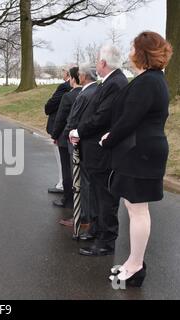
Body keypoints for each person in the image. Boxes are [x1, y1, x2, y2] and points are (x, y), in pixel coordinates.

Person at [101, 31, 173, 287]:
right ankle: (133, 262)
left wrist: (108, 139)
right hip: (141, 150)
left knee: (138, 209)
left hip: (140, 152)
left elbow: (129, 119)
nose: (130, 52)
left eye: (133, 48)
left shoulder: (148, 82)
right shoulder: (153, 79)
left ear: (141, 53)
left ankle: (136, 266)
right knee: (135, 208)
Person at [71, 45, 129, 256]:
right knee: (97, 194)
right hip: (94, 149)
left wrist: (79, 130)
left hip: (101, 151)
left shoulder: (116, 83)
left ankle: (106, 240)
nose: (96, 64)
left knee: (105, 197)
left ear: (104, 63)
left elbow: (101, 117)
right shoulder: (112, 81)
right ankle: (97, 229)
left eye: (97, 60)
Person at [60, 65, 98, 230]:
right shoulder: (97, 90)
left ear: (84, 76)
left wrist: (68, 133)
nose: (78, 76)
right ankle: (88, 215)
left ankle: (82, 217)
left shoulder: (84, 94)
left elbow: (73, 118)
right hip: (91, 143)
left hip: (79, 142)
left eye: (80, 74)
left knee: (81, 182)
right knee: (88, 182)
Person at [51, 67, 83, 209]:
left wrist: (55, 135)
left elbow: (61, 118)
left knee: (67, 170)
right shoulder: (87, 93)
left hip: (66, 138)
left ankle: (68, 199)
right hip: (82, 136)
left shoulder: (68, 96)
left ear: (73, 78)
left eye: (69, 77)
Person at [45, 68, 71, 194]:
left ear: (68, 73)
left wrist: (47, 108)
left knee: (61, 159)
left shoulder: (64, 87)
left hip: (60, 128)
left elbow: (52, 103)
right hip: (70, 129)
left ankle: (62, 184)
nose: (62, 74)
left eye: (64, 71)